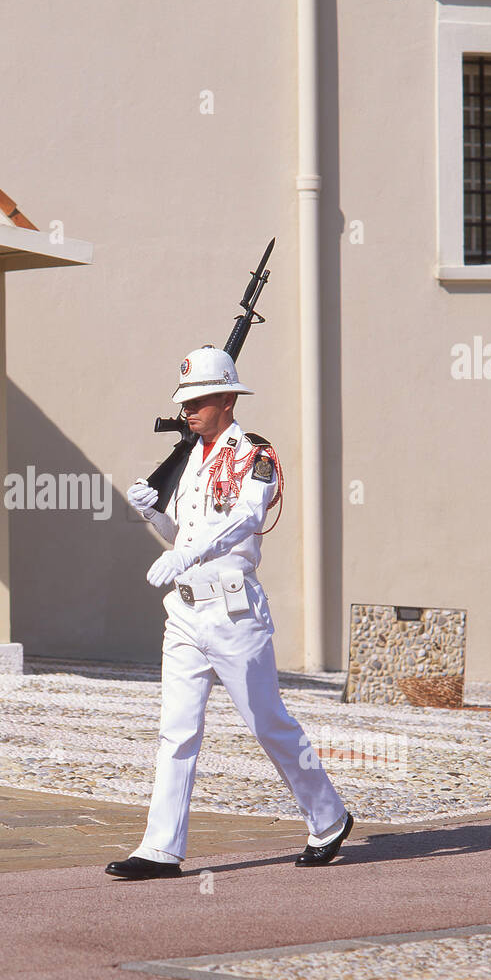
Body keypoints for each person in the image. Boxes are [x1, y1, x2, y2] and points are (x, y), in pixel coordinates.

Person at [106, 346, 353, 880]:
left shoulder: (254, 454)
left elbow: (245, 517)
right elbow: (182, 535)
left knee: (268, 723)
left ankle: (328, 817)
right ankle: (161, 848)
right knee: (176, 729)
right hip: (186, 611)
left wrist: (185, 553)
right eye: (185, 401)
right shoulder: (193, 457)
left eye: (197, 401)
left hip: (234, 613)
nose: (188, 411)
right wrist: (153, 515)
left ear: (225, 399)